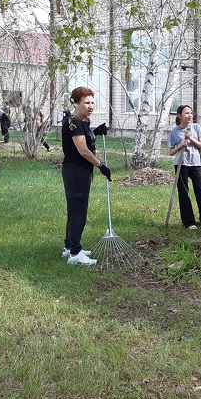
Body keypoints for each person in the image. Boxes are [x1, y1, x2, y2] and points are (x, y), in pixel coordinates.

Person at [61, 86, 110, 265]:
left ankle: (69, 247)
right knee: (78, 211)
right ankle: (75, 253)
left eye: (92, 103)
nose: (90, 106)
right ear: (76, 103)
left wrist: (95, 132)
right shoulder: (73, 122)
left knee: (75, 210)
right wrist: (100, 165)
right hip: (75, 171)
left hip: (79, 170)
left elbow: (83, 139)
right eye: (86, 103)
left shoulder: (82, 121)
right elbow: (82, 150)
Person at [168, 105, 201, 230]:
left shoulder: (196, 127)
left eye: (191, 113)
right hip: (181, 164)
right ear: (179, 115)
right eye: (186, 113)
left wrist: (190, 138)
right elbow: (171, 152)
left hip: (195, 163)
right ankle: (189, 222)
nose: (190, 115)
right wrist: (180, 145)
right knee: (184, 193)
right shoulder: (174, 132)